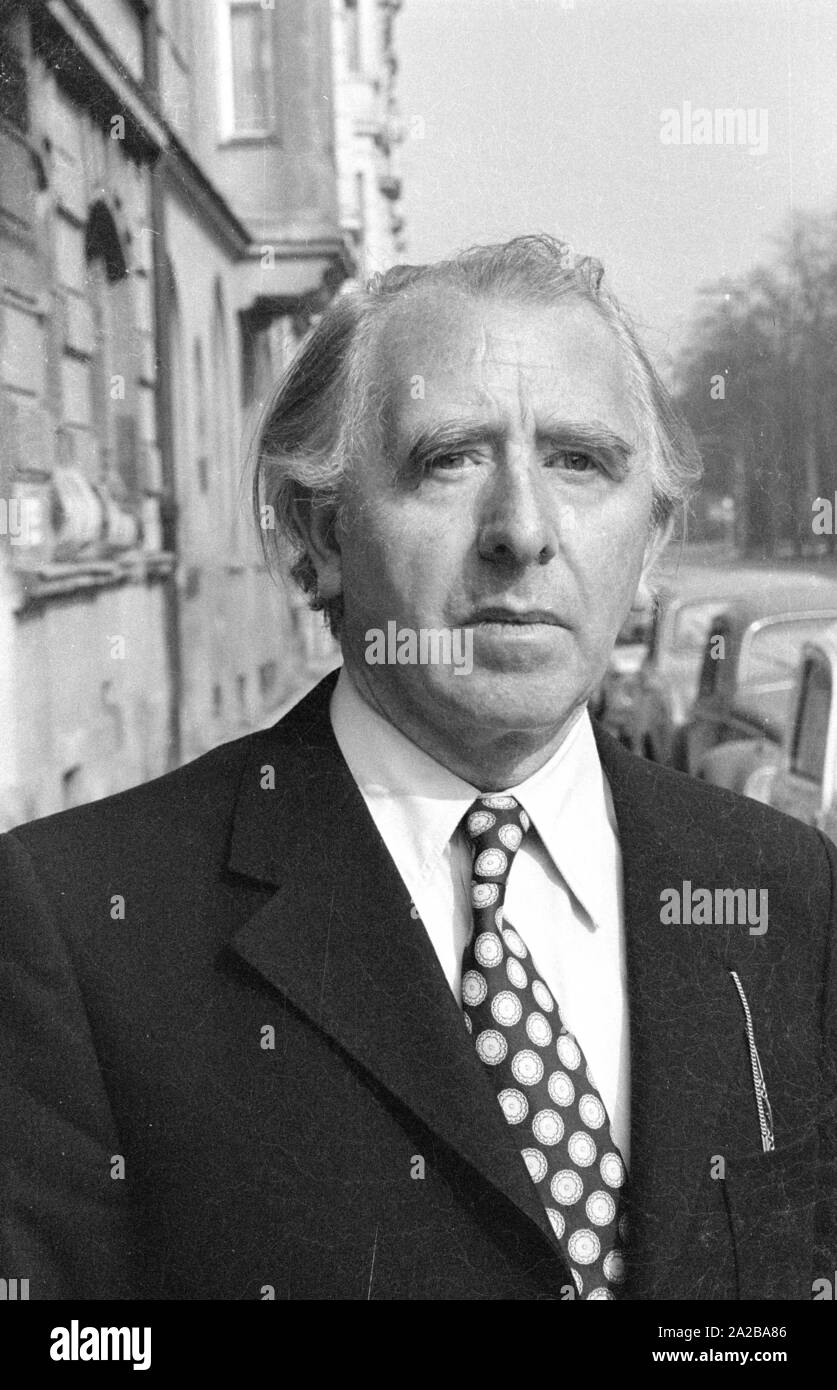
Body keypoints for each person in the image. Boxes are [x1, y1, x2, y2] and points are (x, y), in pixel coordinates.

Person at [1, 236, 834, 1301]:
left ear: (652, 538)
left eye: (580, 461)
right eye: (449, 459)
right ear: (321, 530)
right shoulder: (80, 926)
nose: (523, 531)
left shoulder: (782, 890)